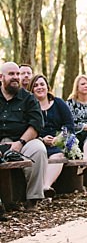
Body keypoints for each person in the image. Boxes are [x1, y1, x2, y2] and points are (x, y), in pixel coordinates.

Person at [0, 62, 47, 210]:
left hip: (24, 140)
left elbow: (36, 125)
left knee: (39, 150)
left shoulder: (29, 98)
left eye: (17, 74)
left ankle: (32, 199)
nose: (16, 77)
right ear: (1, 77)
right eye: (11, 74)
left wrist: (20, 143)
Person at [33, 75, 77, 195]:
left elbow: (70, 125)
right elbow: (26, 127)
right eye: (35, 85)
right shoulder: (30, 106)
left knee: (58, 155)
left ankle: (45, 187)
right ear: (32, 90)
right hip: (37, 141)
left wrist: (60, 137)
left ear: (47, 86)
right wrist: (42, 139)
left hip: (59, 141)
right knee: (38, 154)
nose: (39, 87)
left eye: (42, 84)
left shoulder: (58, 103)